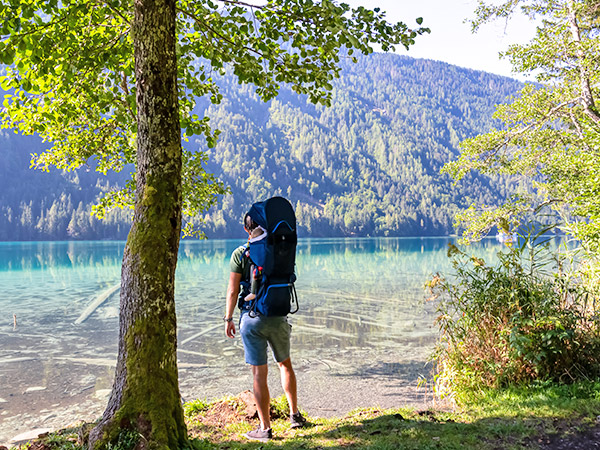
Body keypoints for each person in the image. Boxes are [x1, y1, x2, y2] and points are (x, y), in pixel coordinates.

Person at [224, 213, 307, 442]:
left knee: (259, 373)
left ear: (245, 230)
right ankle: (295, 416)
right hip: (279, 315)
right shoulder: (278, 250)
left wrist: (228, 318)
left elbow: (232, 291)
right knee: (285, 365)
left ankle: (265, 428)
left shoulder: (240, 254)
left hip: (252, 318)